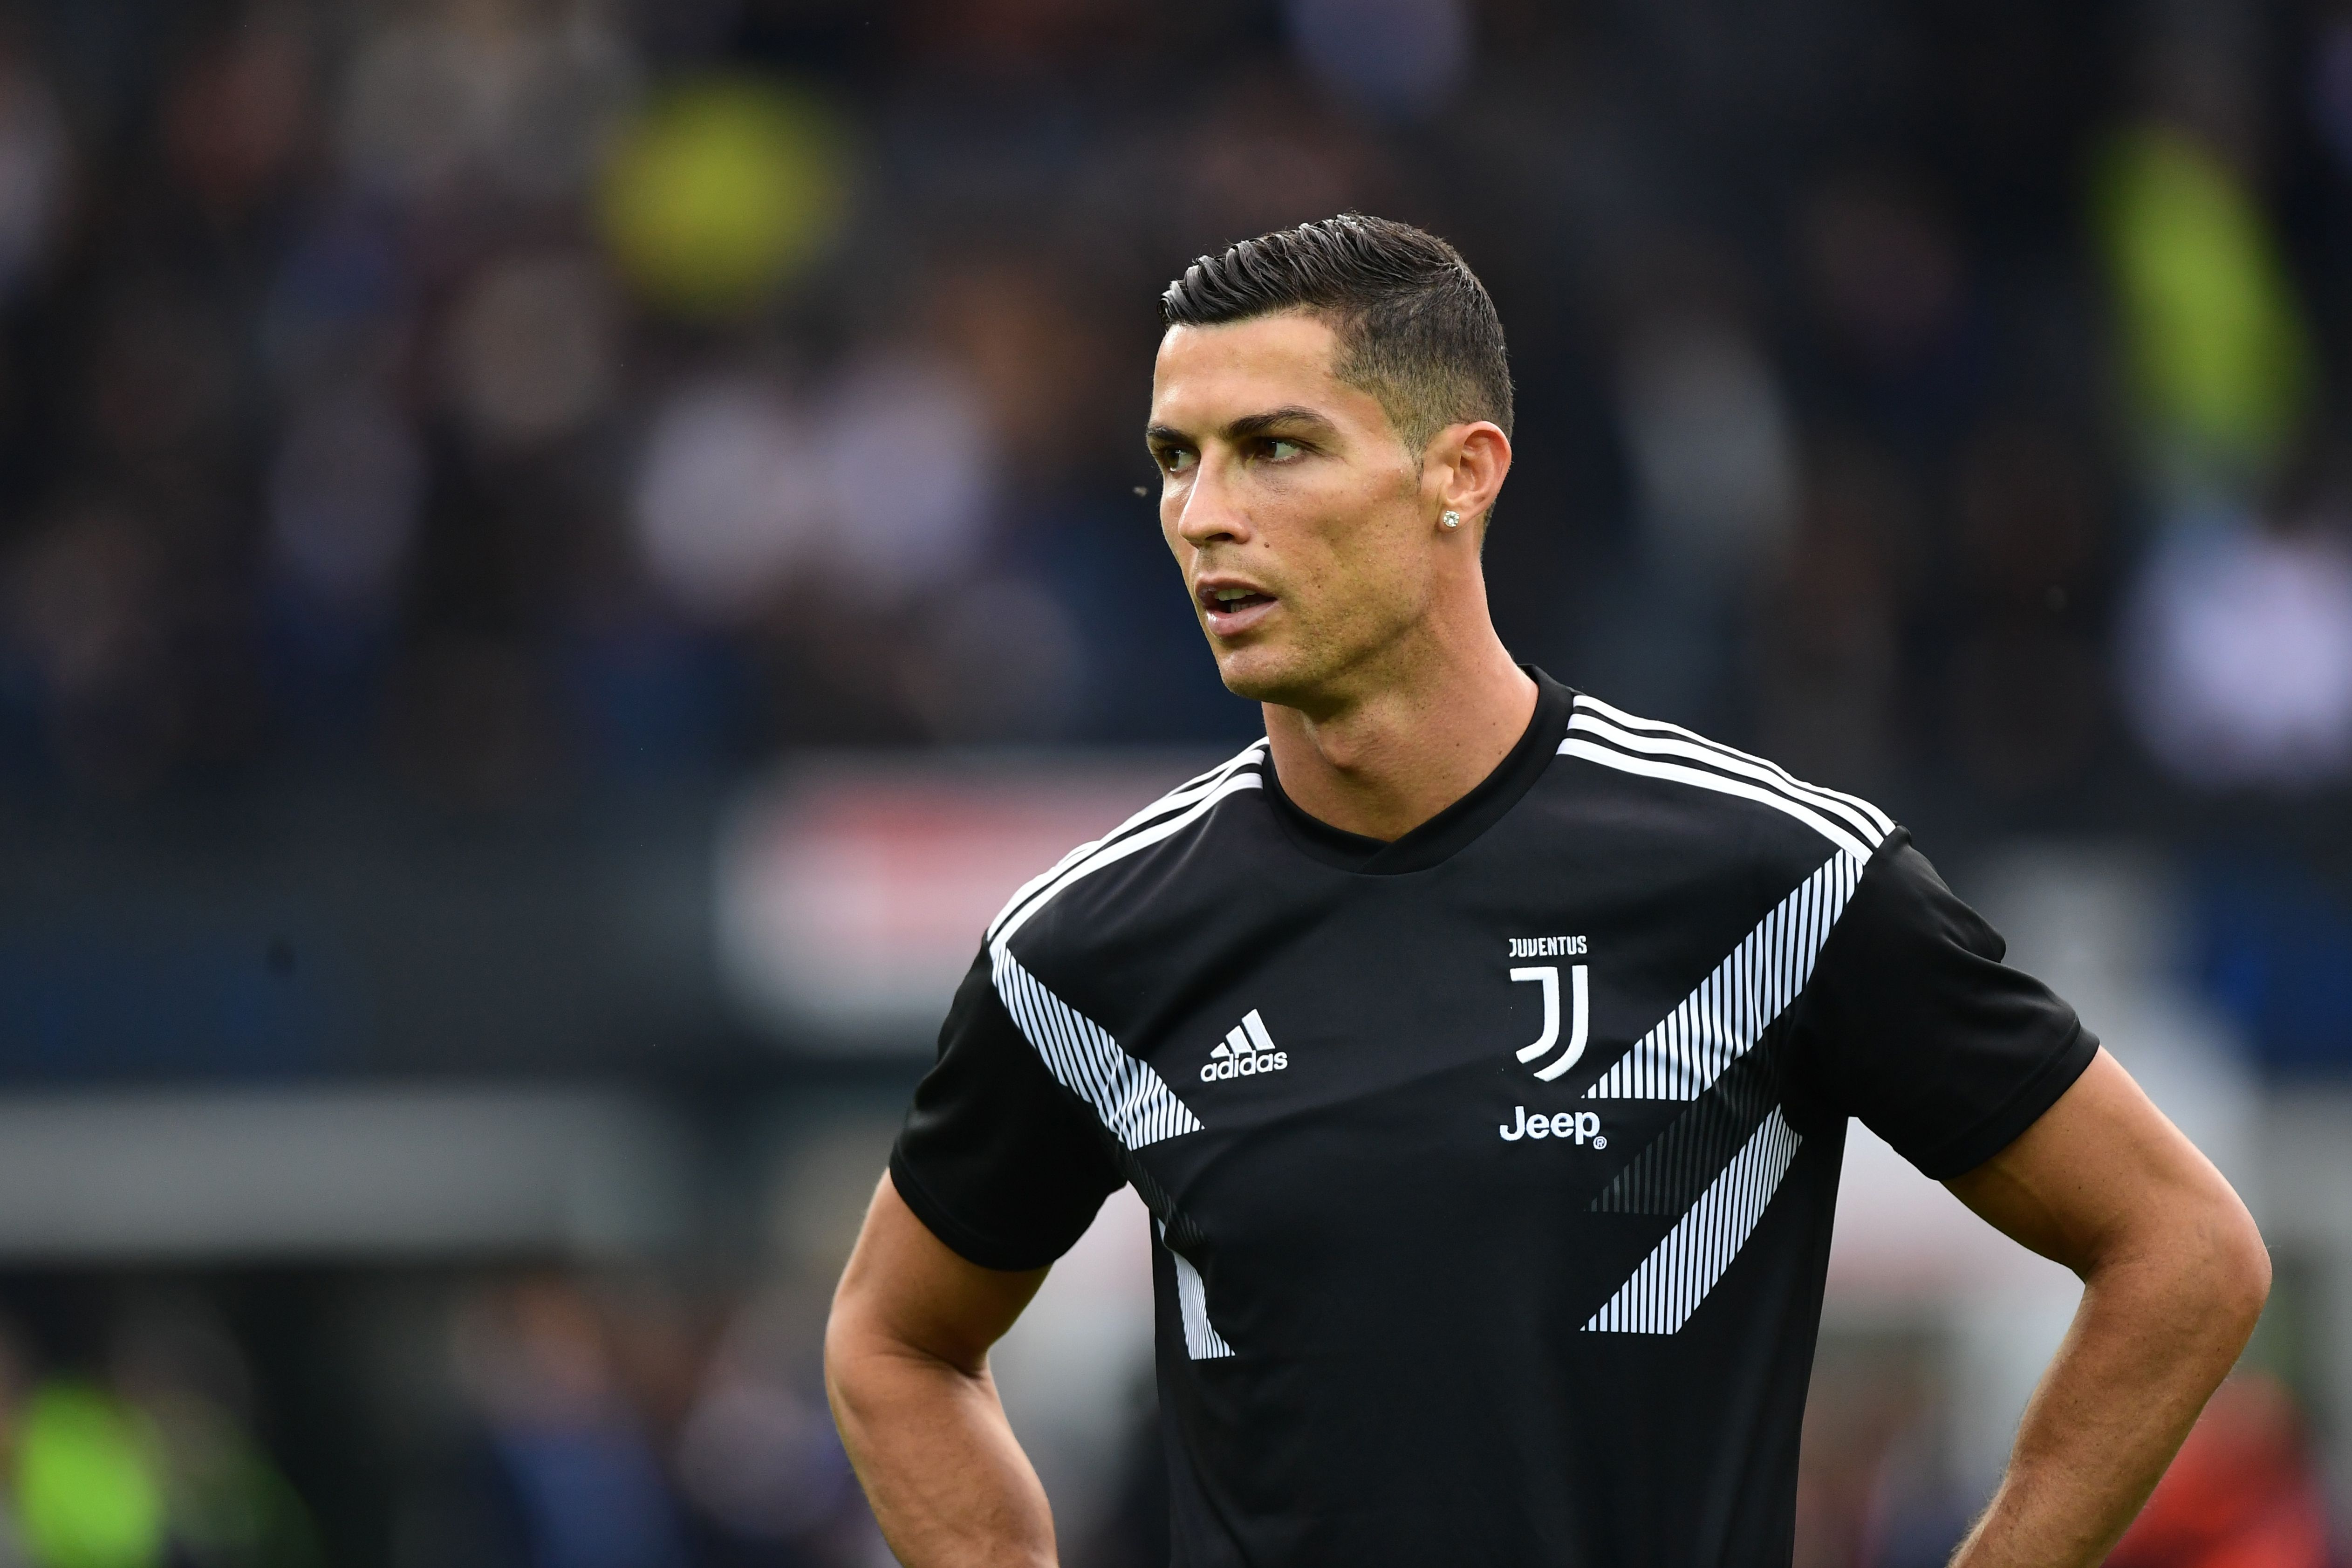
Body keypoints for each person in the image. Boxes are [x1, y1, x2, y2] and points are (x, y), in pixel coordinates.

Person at [823, 214, 2270, 1567]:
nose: (1205, 514)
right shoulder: (1091, 952)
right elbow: (895, 1342)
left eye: (1275, 448)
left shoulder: (1776, 887)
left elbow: (2182, 1251)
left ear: (1463, 472)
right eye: (1176, 458)